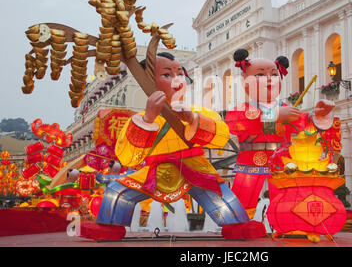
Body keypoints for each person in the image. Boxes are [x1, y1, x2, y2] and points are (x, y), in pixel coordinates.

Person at [80, 52, 265, 241]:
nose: (177, 80)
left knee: (221, 194)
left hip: (195, 168)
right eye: (167, 75)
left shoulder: (197, 111)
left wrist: (193, 119)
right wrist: (148, 120)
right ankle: (109, 228)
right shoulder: (140, 118)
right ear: (148, 81)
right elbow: (127, 156)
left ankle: (237, 225)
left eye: (180, 73)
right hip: (153, 172)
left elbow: (221, 136)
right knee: (117, 192)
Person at [225, 49, 336, 219]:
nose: (269, 79)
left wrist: (318, 114)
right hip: (251, 160)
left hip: (282, 161)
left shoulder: (287, 108)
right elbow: (237, 123)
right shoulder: (244, 109)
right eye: (260, 75)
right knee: (243, 198)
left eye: (274, 74)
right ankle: (238, 223)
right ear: (244, 81)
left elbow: (303, 125)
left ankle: (286, 223)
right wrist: (276, 115)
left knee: (286, 197)